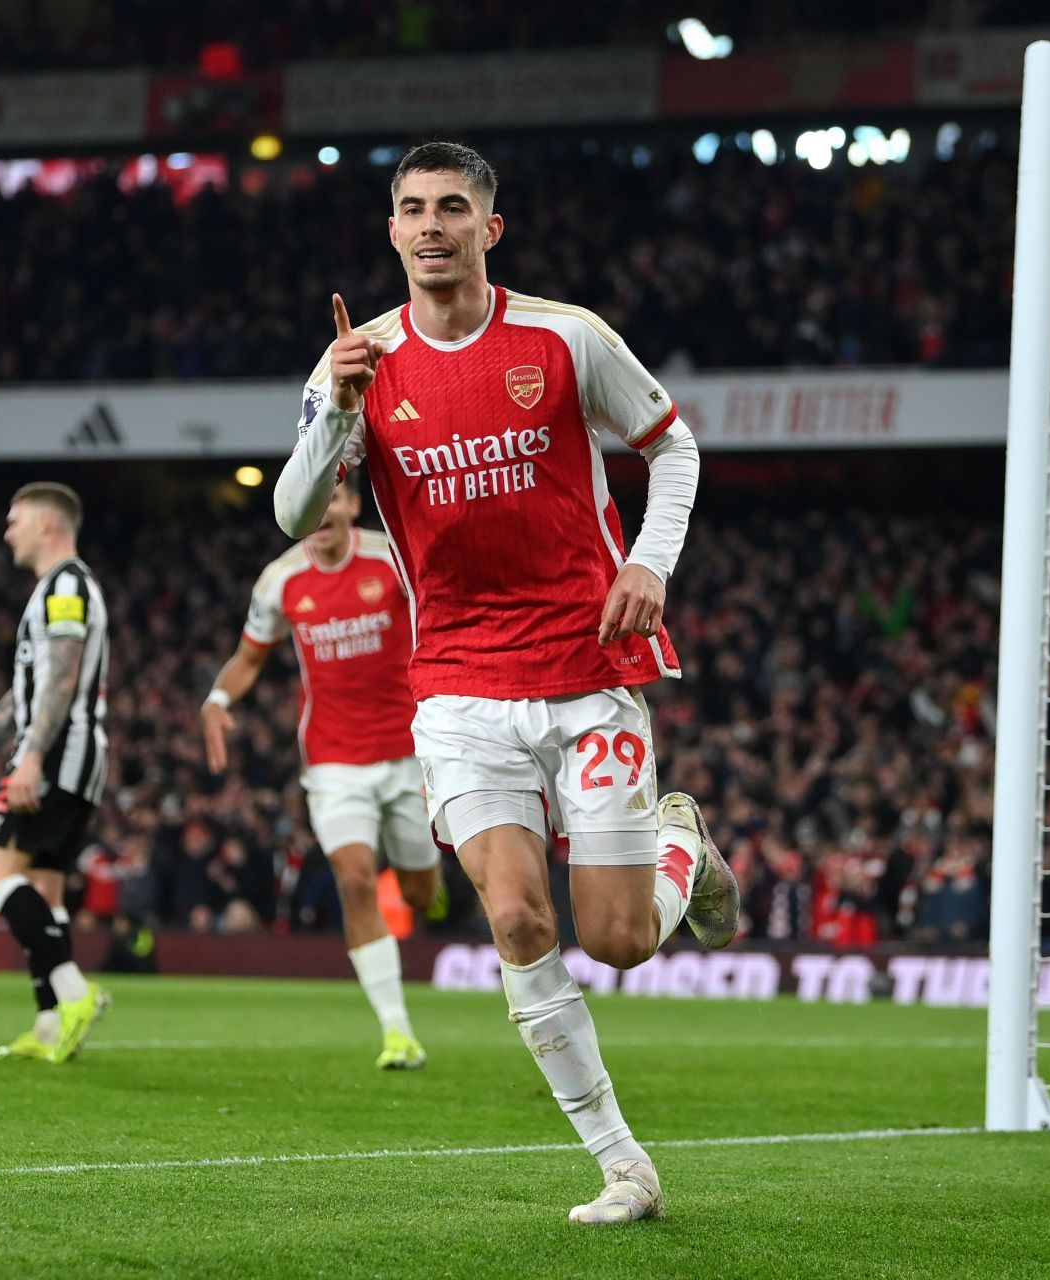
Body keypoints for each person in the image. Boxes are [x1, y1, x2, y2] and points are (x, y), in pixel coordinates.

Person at [272, 141, 739, 1225]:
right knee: (521, 918)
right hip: (461, 690)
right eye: (410, 209)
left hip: (585, 671)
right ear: (390, 231)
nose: (429, 225)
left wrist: (649, 562)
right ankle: (624, 1163)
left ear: (491, 227)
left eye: (451, 208)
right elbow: (296, 515)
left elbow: (675, 450)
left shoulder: (566, 337)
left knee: (619, 937)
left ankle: (686, 846)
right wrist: (335, 411)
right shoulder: (353, 360)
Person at [202, 476, 438, 1070]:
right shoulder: (281, 581)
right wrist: (217, 700)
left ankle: (425, 879)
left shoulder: (391, 559)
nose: (326, 509)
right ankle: (397, 1032)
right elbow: (250, 657)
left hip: (410, 752)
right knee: (355, 878)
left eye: (336, 496)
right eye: (317, 500)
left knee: (419, 892)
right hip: (333, 760)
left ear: (355, 504)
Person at [0, 482, 110, 1064]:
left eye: (16, 521)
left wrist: (31, 756)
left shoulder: (66, 585)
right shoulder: (54, 589)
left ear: (46, 524)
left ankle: (72, 993)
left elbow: (61, 680)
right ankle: (48, 1025)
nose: (8, 531)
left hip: (59, 755)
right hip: (72, 756)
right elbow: (26, 692)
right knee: (44, 886)